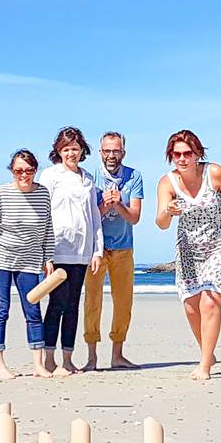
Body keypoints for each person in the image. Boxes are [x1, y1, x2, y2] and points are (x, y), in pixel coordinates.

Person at [153, 129, 221, 381]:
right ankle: (208, 353)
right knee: (190, 307)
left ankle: (204, 366)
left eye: (188, 153)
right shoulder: (167, 183)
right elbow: (161, 223)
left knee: (209, 301)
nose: (183, 159)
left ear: (198, 153)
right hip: (189, 249)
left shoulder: (215, 173)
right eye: (177, 155)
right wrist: (168, 210)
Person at [0, 148, 57, 380]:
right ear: (12, 171)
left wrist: (47, 258)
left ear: (35, 171)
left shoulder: (42, 194)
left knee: (33, 311)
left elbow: (47, 228)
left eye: (29, 170)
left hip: (29, 261)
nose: (24, 175)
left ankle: (38, 365)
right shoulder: (0, 194)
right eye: (18, 170)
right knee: (1, 310)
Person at [40, 126, 104, 377]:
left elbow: (94, 217)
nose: (71, 153)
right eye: (66, 149)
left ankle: (67, 359)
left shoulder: (87, 179)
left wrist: (97, 251)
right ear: (59, 151)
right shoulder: (50, 176)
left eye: (75, 149)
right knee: (56, 303)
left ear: (82, 150)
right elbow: (43, 214)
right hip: (57, 251)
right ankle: (48, 359)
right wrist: (45, 254)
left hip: (82, 252)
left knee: (73, 305)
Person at [84, 131, 143, 371]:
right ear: (100, 153)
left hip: (123, 248)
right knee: (92, 302)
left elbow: (135, 217)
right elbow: (86, 217)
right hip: (95, 250)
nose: (111, 155)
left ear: (123, 153)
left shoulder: (134, 176)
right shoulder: (90, 177)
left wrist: (118, 203)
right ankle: (91, 357)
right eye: (107, 150)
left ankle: (117, 355)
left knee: (123, 302)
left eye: (116, 151)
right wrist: (104, 204)